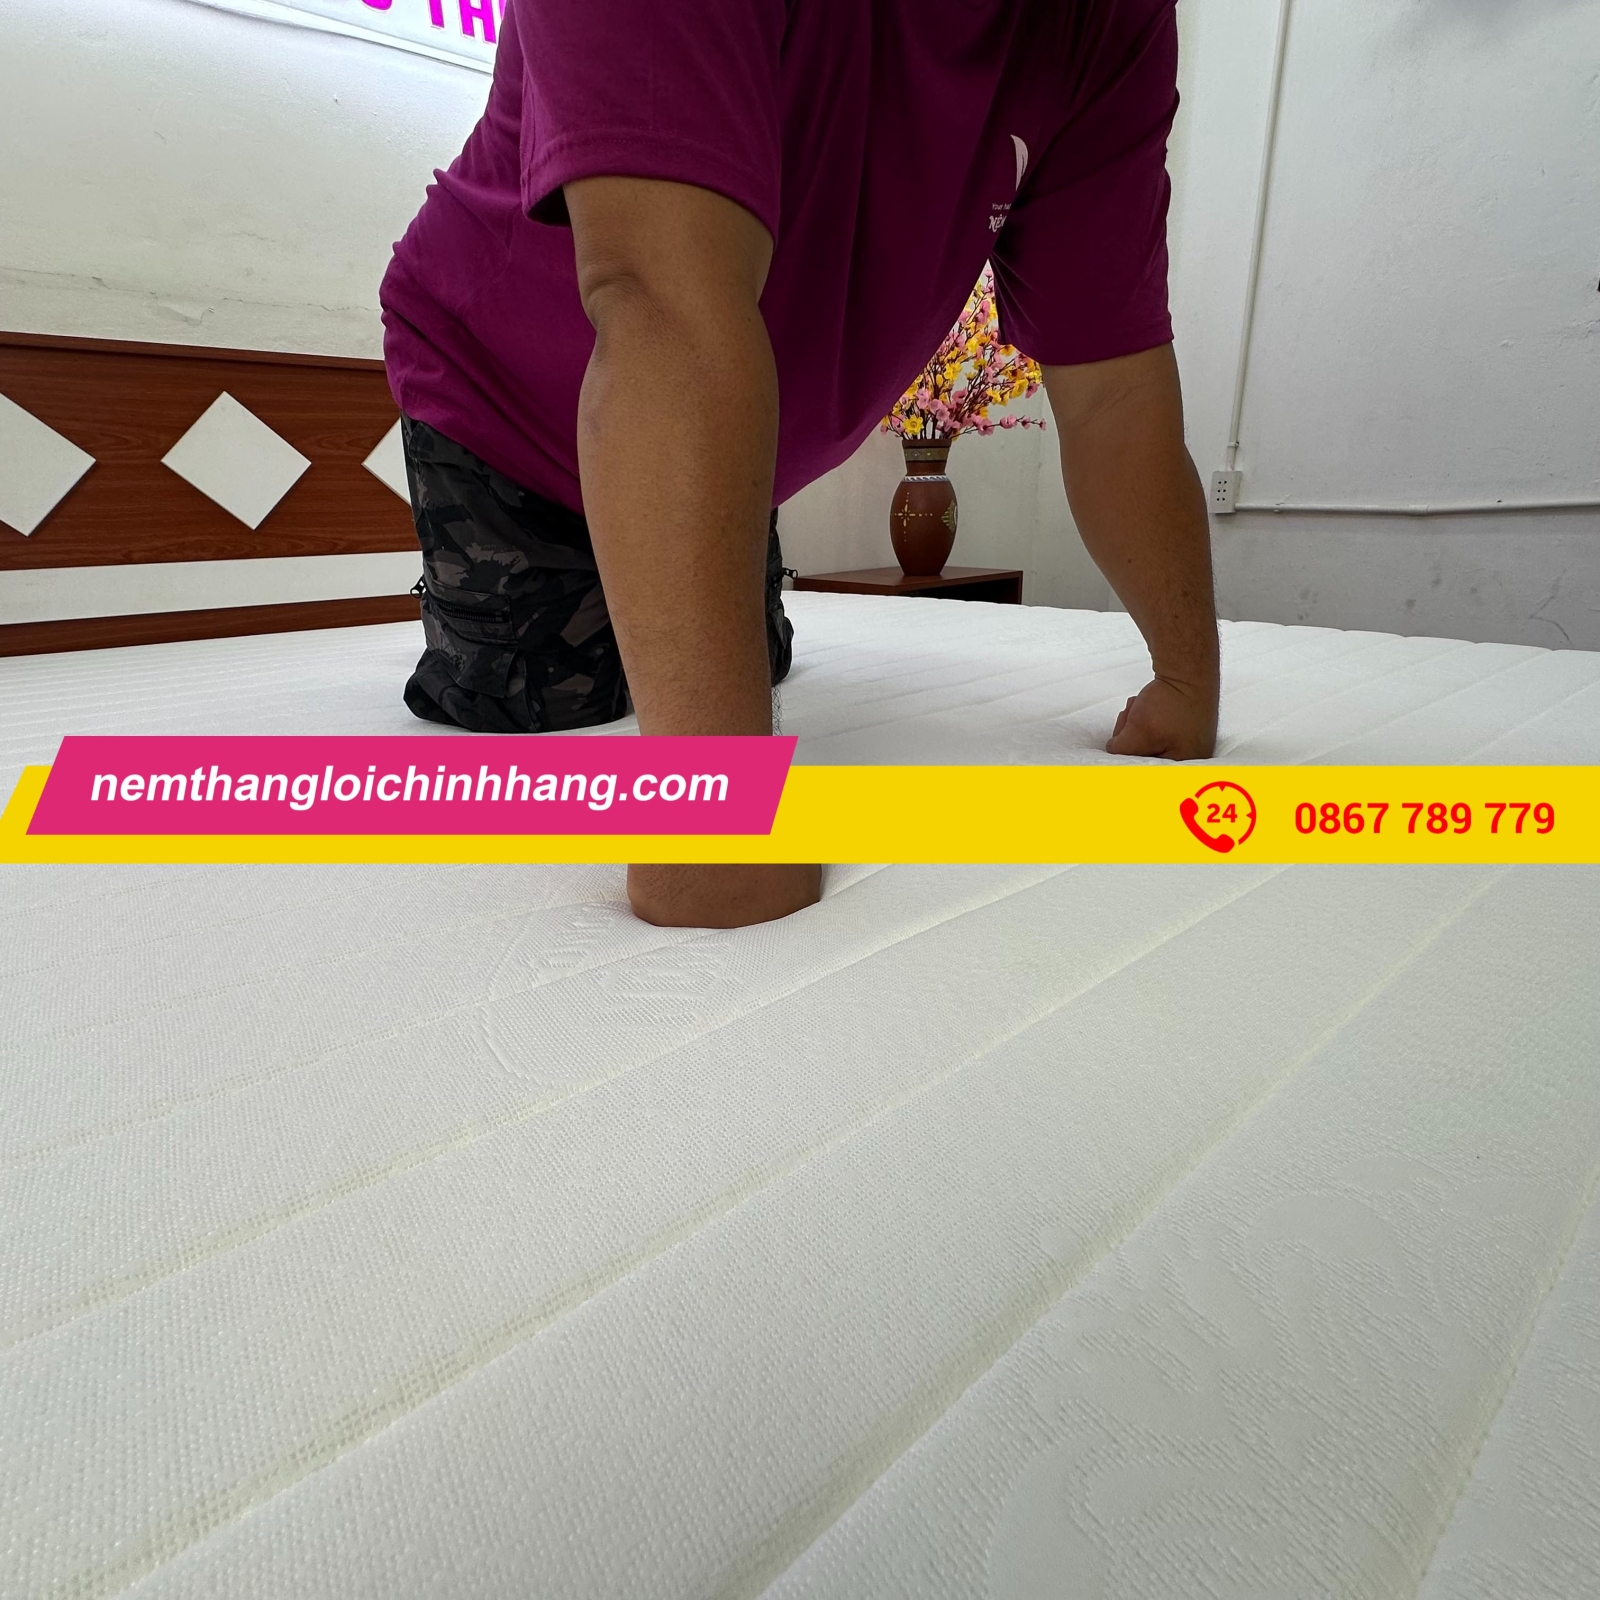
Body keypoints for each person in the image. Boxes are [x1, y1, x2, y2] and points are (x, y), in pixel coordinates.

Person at [380, 0, 1218, 930]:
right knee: (550, 701)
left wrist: (1185, 682)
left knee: (756, 666)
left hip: (725, 444)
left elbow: (1116, 390)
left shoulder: (1106, 22)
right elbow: (659, 294)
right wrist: (715, 828)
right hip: (506, 411)